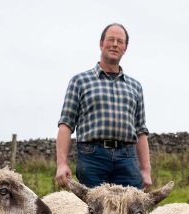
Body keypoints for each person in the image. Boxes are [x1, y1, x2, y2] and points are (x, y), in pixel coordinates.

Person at [54, 23, 152, 190]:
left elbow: (140, 131)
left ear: (125, 48)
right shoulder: (80, 81)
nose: (115, 44)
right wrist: (61, 164)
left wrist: (145, 169)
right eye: (111, 39)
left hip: (127, 159)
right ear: (101, 44)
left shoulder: (135, 87)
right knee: (93, 212)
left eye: (120, 41)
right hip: (92, 158)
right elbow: (66, 124)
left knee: (131, 212)